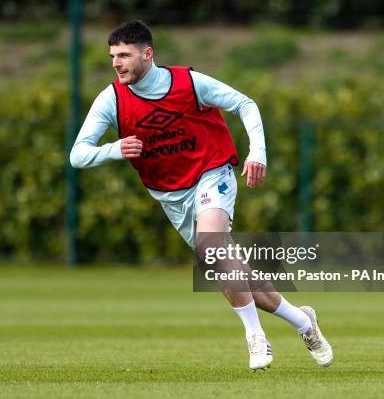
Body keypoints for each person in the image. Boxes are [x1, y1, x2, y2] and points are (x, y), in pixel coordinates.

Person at [70, 20, 333, 371]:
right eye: (112, 56)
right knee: (227, 264)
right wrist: (114, 149)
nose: (116, 63)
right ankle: (303, 321)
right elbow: (78, 154)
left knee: (213, 245)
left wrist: (258, 152)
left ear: (147, 54)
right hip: (170, 196)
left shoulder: (188, 82)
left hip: (213, 172)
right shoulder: (112, 99)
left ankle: (256, 337)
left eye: (124, 55)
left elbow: (245, 104)